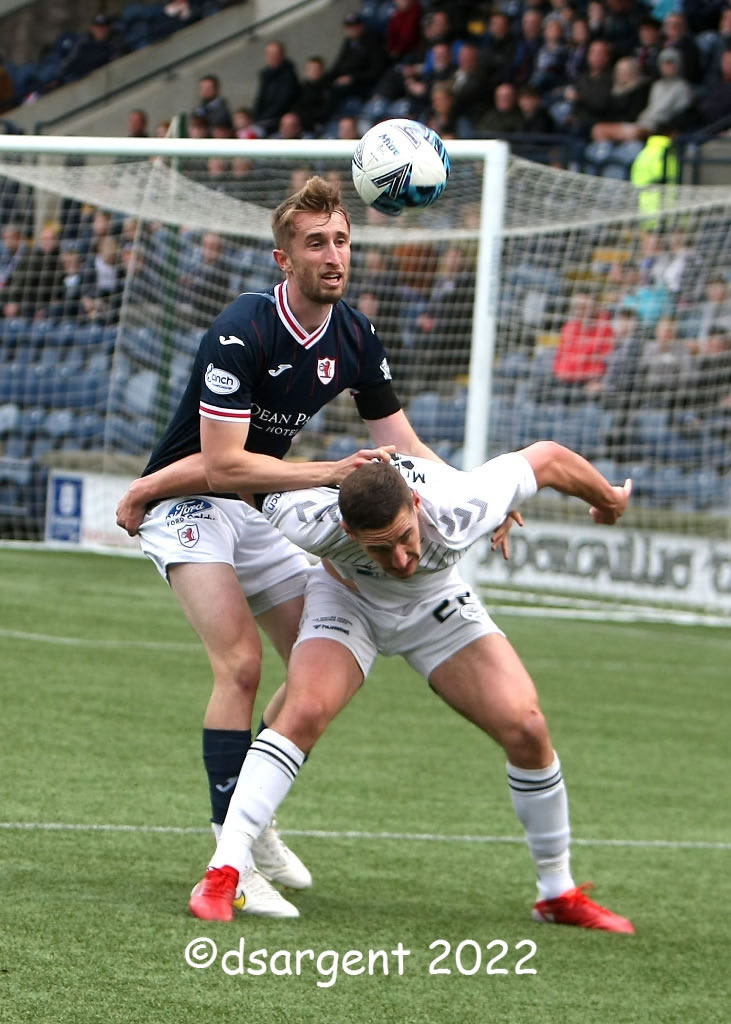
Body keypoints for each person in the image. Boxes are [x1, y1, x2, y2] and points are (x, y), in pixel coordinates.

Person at [115, 175, 441, 914]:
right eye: (315, 243)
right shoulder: (243, 328)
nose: (334, 255)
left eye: (342, 241)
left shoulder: (354, 335)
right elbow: (223, 465)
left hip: (257, 505)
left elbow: (405, 445)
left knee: (320, 668)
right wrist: (329, 471)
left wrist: (476, 495)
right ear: (283, 259)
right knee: (240, 664)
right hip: (186, 501)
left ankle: (252, 817)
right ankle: (228, 854)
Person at [189, 445, 635, 933]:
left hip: (435, 607)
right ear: (346, 531)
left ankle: (556, 892)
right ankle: (224, 871)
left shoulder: (464, 507)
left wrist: (608, 500)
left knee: (527, 727)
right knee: (305, 709)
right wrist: (149, 487)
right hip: (348, 603)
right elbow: (230, 471)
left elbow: (549, 459)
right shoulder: (308, 517)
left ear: (417, 506)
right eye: (379, 548)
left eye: (405, 536)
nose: (400, 559)